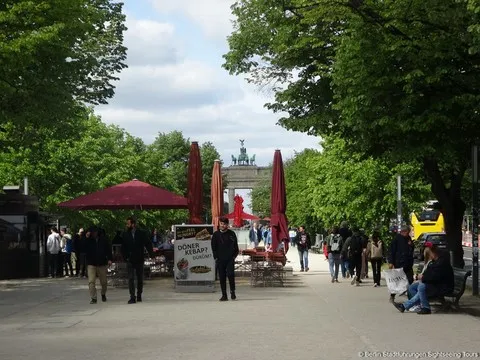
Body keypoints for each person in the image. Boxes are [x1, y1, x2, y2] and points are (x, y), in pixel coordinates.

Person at [393, 243, 454, 315]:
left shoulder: (441, 263)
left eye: (429, 254)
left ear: (433, 253)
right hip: (436, 284)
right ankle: (417, 305)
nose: (429, 257)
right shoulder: (435, 262)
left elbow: (436, 277)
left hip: (443, 286)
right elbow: (429, 274)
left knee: (422, 286)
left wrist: (422, 277)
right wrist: (421, 276)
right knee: (412, 287)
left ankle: (425, 307)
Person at [121, 217, 155, 304]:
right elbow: (123, 247)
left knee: (140, 278)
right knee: (131, 278)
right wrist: (125, 257)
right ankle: (132, 296)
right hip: (130, 259)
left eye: (128, 224)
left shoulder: (141, 233)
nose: (127, 225)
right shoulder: (125, 234)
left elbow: (148, 243)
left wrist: (151, 254)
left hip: (139, 258)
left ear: (133, 224)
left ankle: (139, 294)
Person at [211, 217, 239, 301]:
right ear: (219, 224)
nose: (222, 225)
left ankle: (232, 291)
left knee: (230, 274)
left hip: (230, 258)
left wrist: (234, 256)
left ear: (227, 225)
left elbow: (235, 246)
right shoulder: (216, 235)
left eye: (224, 224)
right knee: (222, 277)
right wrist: (216, 257)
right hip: (220, 259)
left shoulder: (231, 234)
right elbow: (213, 247)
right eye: (221, 224)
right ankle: (224, 295)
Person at [85, 226, 112, 304]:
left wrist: (110, 259)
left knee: (104, 282)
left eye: (95, 232)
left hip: (102, 263)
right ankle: (93, 298)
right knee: (91, 282)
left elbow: (108, 250)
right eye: (93, 232)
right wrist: (86, 238)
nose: (94, 234)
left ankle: (103, 293)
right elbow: (82, 247)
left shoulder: (103, 240)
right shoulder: (88, 240)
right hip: (91, 263)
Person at [388, 225, 415, 302]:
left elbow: (411, 248)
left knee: (410, 280)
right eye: (408, 232)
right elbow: (391, 251)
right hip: (399, 262)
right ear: (404, 231)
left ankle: (410, 297)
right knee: (397, 281)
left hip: (408, 263)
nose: (408, 234)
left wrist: (411, 245)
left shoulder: (408, 238)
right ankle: (392, 296)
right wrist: (391, 262)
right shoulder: (396, 239)